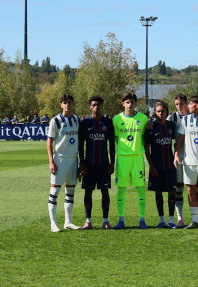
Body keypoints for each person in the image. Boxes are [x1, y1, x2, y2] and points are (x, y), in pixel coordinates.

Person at [112, 92, 150, 229]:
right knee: (121, 189)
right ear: (123, 104)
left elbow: (147, 136)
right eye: (127, 102)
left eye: (132, 102)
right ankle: (121, 220)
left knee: (140, 188)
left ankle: (142, 219)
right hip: (122, 158)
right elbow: (114, 138)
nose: (130, 104)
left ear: (135, 103)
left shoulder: (143, 118)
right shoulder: (116, 119)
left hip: (137, 158)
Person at [174, 95, 198, 229]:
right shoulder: (186, 120)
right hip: (189, 162)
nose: (188, 106)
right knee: (190, 190)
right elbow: (181, 138)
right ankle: (195, 220)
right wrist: (177, 154)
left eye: (190, 104)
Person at [78, 95, 115, 229]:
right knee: (88, 191)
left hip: (103, 164)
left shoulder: (108, 123)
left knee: (105, 191)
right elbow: (81, 145)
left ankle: (105, 221)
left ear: (101, 106)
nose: (96, 107)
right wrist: (81, 163)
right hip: (89, 164)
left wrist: (112, 163)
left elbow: (111, 145)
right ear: (90, 106)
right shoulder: (85, 123)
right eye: (93, 105)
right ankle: (88, 221)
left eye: (98, 105)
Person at [45, 94, 81, 232]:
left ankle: (68, 222)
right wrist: (51, 161)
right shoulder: (56, 120)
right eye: (64, 103)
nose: (67, 105)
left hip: (73, 159)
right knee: (54, 191)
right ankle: (53, 224)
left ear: (73, 104)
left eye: (69, 102)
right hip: (59, 159)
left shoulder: (77, 120)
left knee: (70, 191)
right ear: (61, 105)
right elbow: (49, 142)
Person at [144, 101, 177, 229]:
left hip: (169, 166)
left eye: (163, 111)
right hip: (156, 166)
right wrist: (151, 166)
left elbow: (179, 141)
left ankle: (172, 220)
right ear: (155, 113)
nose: (161, 113)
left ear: (167, 112)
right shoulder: (151, 127)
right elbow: (146, 148)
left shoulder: (171, 125)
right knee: (158, 193)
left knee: (171, 192)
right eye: (158, 111)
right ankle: (161, 219)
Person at [166, 93, 189, 227]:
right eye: (176, 104)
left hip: (194, 155)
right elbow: (162, 123)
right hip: (179, 156)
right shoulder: (173, 117)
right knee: (179, 186)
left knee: (193, 188)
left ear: (186, 102)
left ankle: (196, 217)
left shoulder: (193, 116)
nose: (179, 106)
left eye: (181, 103)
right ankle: (180, 217)